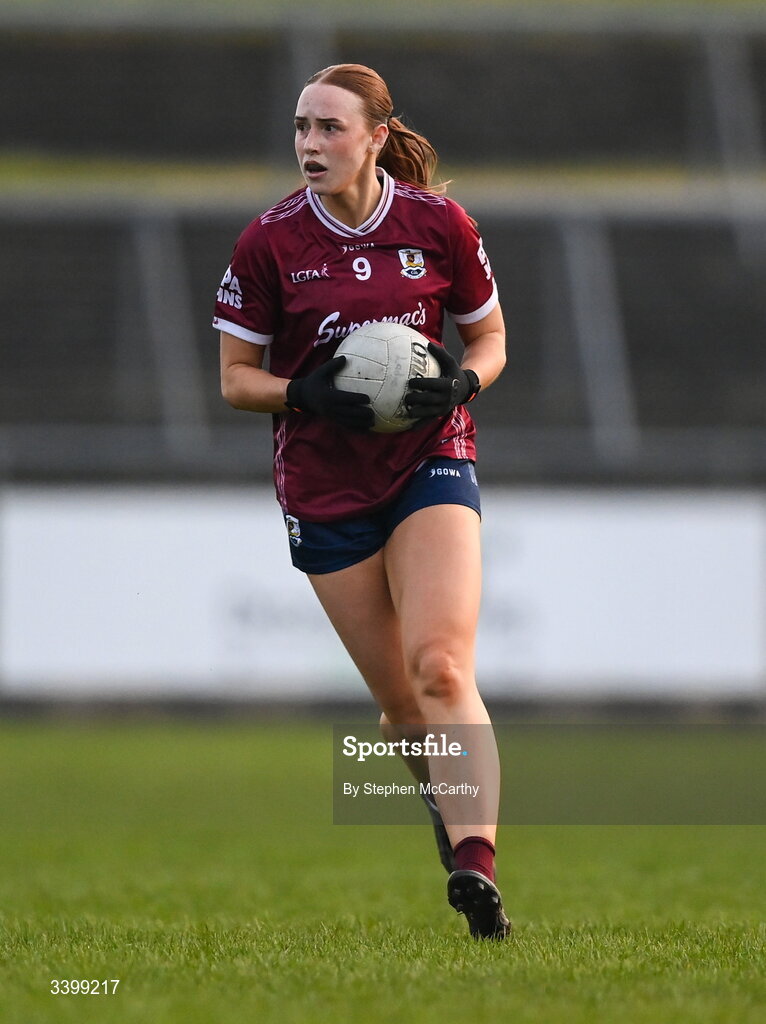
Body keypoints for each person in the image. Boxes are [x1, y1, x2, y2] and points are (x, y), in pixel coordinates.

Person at [214, 63, 510, 940]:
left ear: (377, 137)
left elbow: (489, 339)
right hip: (323, 484)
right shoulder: (267, 244)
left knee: (442, 668)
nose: (310, 145)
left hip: (429, 454)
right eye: (301, 127)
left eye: (330, 129)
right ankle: (446, 814)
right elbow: (235, 382)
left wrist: (458, 382)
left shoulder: (438, 223)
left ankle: (476, 864)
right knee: (405, 712)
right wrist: (305, 394)